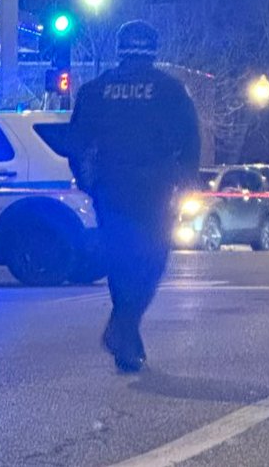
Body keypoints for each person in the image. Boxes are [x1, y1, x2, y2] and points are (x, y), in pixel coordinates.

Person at [66, 20, 201, 372]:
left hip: (110, 187)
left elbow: (76, 142)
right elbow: (190, 141)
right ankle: (122, 328)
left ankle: (126, 338)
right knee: (152, 261)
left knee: (120, 261)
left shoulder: (96, 90)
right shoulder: (171, 91)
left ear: (119, 48)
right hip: (154, 188)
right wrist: (187, 179)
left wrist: (86, 181)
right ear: (153, 50)